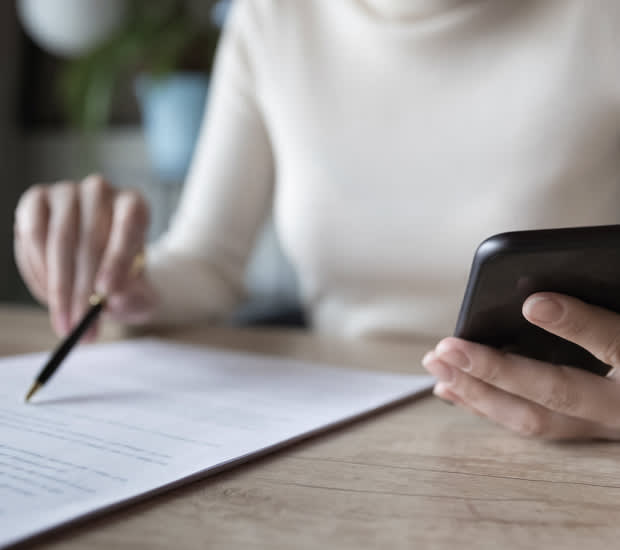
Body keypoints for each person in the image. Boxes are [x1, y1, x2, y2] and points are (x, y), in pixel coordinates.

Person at [13, 0, 620, 440]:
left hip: (564, 440)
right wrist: (124, 277)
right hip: (339, 428)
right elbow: (207, 261)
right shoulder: (272, 19)